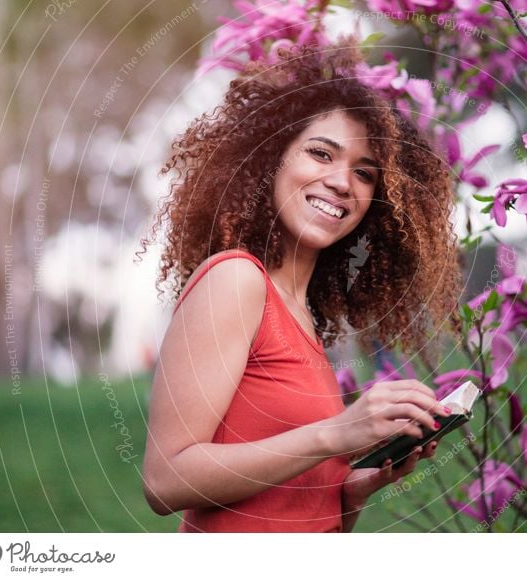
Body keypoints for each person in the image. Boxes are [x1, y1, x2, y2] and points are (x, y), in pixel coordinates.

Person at [141, 41, 463, 532]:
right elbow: (165, 482)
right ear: (271, 158)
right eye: (320, 153)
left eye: (364, 173)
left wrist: (349, 491)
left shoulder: (302, 316)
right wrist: (337, 433)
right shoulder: (235, 280)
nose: (341, 182)